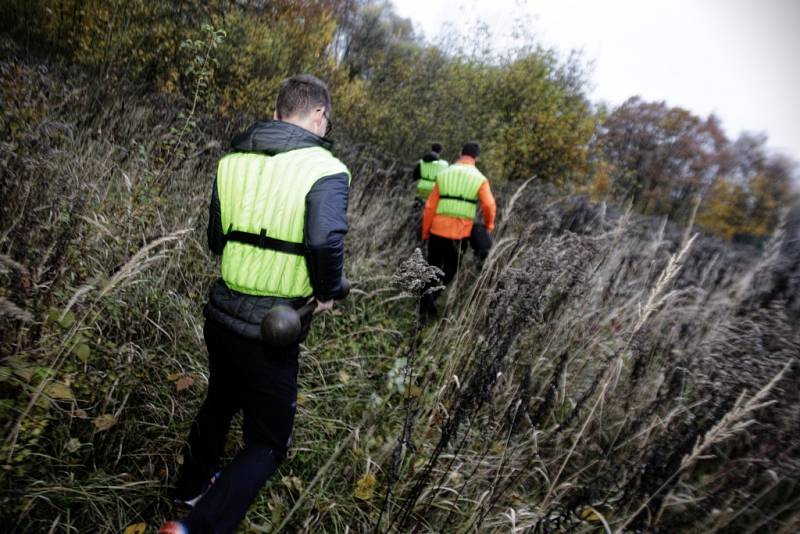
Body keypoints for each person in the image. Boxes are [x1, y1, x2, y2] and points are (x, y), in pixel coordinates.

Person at [160, 74, 350, 534]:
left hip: (220, 314)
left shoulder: (231, 161)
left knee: (219, 401)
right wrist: (326, 292)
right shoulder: (327, 170)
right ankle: (195, 529)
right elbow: (326, 241)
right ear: (319, 114)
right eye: (328, 119)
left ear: (278, 107)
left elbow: (214, 239)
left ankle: (188, 488)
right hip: (274, 327)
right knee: (267, 443)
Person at [420, 141, 495, 314]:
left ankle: (425, 302)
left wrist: (425, 232)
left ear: (461, 153)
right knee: (450, 270)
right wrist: (488, 226)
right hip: (460, 234)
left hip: (437, 229)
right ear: (477, 157)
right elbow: (489, 205)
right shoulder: (480, 179)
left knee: (431, 266)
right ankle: (431, 300)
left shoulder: (444, 173)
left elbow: (430, 207)